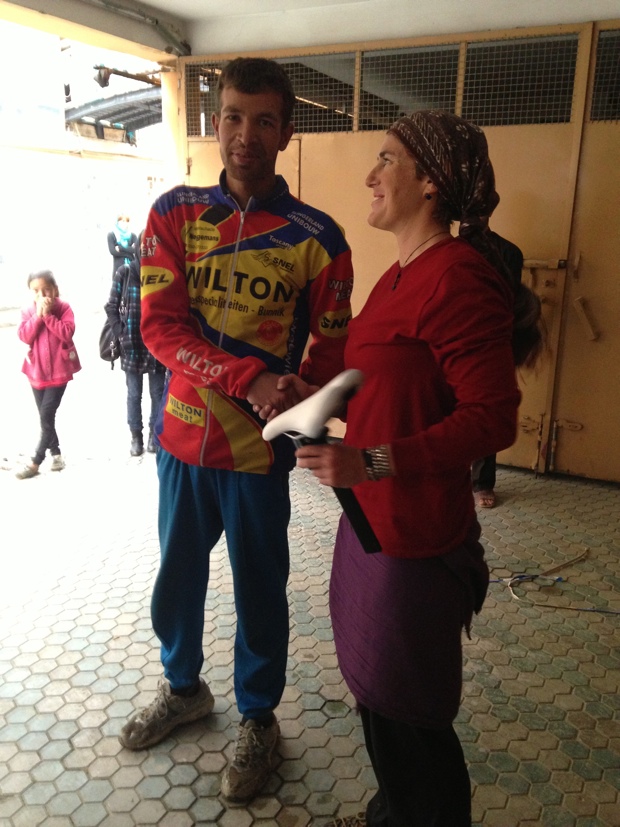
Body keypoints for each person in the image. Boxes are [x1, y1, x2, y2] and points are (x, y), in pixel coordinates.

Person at [295, 110, 540, 827]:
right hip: (372, 527)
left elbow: (492, 418)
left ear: (430, 182)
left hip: (413, 539)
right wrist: (310, 392)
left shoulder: (455, 278)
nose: (371, 175)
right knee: (381, 701)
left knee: (410, 721)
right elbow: (382, 383)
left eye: (387, 159)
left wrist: (368, 459)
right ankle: (392, 811)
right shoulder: (401, 275)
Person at [119, 57, 353, 803]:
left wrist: (300, 390)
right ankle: (182, 686)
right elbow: (159, 326)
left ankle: (259, 717)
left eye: (261, 120)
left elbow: (333, 348)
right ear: (213, 121)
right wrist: (244, 376)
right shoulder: (173, 213)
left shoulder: (320, 237)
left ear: (286, 130)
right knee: (176, 578)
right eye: (231, 116)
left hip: (261, 452)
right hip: (183, 440)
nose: (244, 134)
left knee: (261, 589)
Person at [472, 232, 525, 509]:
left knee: (485, 408)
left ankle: (482, 482)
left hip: (488, 337)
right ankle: (445, 478)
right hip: (444, 334)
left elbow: (510, 300)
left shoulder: (509, 252)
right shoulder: (441, 246)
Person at [104, 233, 166, 456]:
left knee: (158, 392)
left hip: (157, 346)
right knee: (134, 394)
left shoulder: (163, 274)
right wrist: (121, 334)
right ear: (138, 247)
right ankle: (136, 437)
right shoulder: (125, 272)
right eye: (144, 245)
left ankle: (153, 435)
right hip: (132, 345)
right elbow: (111, 306)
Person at [16, 270, 81, 479]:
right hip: (36, 372)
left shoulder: (63, 308)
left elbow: (66, 333)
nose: (42, 295)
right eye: (36, 291)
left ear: (55, 289)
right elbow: (24, 336)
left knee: (46, 414)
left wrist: (48, 316)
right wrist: (38, 316)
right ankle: (56, 454)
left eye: (46, 289)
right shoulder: (28, 311)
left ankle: (36, 461)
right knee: (45, 418)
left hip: (60, 372)